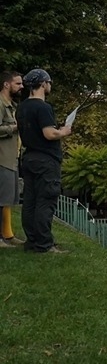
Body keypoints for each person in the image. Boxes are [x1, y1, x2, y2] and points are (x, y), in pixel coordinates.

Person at [17, 69, 71, 253]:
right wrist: (63, 131)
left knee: (30, 202)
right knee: (45, 201)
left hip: (29, 158)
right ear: (43, 84)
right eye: (49, 82)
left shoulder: (22, 107)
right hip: (46, 161)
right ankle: (44, 244)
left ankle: (31, 242)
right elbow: (49, 134)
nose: (50, 85)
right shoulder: (43, 107)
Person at [0, 71, 24, 248]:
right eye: (18, 83)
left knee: (8, 199)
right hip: (2, 158)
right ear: (6, 84)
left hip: (12, 157)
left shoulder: (12, 105)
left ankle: (7, 235)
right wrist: (15, 127)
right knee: (1, 199)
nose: (21, 87)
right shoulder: (0, 104)